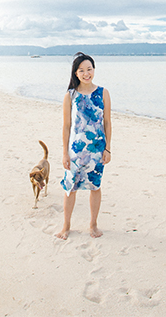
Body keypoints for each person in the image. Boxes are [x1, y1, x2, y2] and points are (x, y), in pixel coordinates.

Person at [55, 52, 112, 239]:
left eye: (89, 69)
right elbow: (66, 126)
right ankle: (66, 226)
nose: (86, 73)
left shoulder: (103, 93)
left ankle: (93, 226)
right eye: (82, 70)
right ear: (76, 73)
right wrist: (64, 153)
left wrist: (108, 148)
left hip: (97, 151)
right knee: (69, 188)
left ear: (94, 70)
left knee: (95, 187)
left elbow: (107, 122)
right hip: (75, 152)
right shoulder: (70, 95)